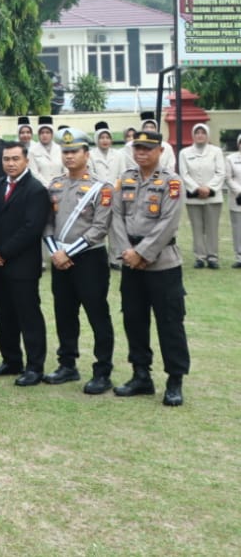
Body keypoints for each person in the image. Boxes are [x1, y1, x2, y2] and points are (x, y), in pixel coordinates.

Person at [112, 130, 190, 406]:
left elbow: (169, 222)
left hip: (163, 264)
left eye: (147, 148)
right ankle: (141, 375)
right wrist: (127, 252)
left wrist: (142, 253)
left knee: (169, 322)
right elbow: (116, 217)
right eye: (137, 148)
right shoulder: (126, 179)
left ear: (160, 151)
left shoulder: (172, 182)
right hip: (131, 262)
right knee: (134, 319)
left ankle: (175, 380)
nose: (141, 152)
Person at [41, 128, 115, 394]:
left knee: (97, 315)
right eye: (65, 151)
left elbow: (99, 228)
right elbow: (47, 223)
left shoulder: (101, 188)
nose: (69, 156)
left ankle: (102, 371)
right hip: (59, 259)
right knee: (64, 313)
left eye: (74, 151)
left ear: (87, 153)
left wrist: (67, 253)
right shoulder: (55, 185)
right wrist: (55, 252)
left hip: (89, 259)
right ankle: (67, 364)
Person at [0, 141, 49, 386]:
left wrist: (2, 251)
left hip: (22, 264)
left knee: (28, 316)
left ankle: (35, 367)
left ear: (26, 161)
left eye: (15, 159)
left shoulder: (35, 190)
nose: (10, 164)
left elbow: (31, 229)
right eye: (6, 159)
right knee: (4, 315)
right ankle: (11, 360)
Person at [178, 123, 224, 269]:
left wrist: (208, 188)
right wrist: (197, 189)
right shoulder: (184, 153)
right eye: (197, 133)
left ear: (207, 135)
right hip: (194, 197)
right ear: (193, 135)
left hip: (213, 196)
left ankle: (212, 257)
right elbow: (184, 174)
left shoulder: (216, 151)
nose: (200, 135)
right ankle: (199, 257)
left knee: (212, 228)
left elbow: (220, 172)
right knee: (197, 228)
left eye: (203, 133)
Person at [228, 135, 241, 269]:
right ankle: (239, 257)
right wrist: (239, 191)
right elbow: (228, 177)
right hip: (237, 198)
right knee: (238, 230)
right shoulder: (230, 159)